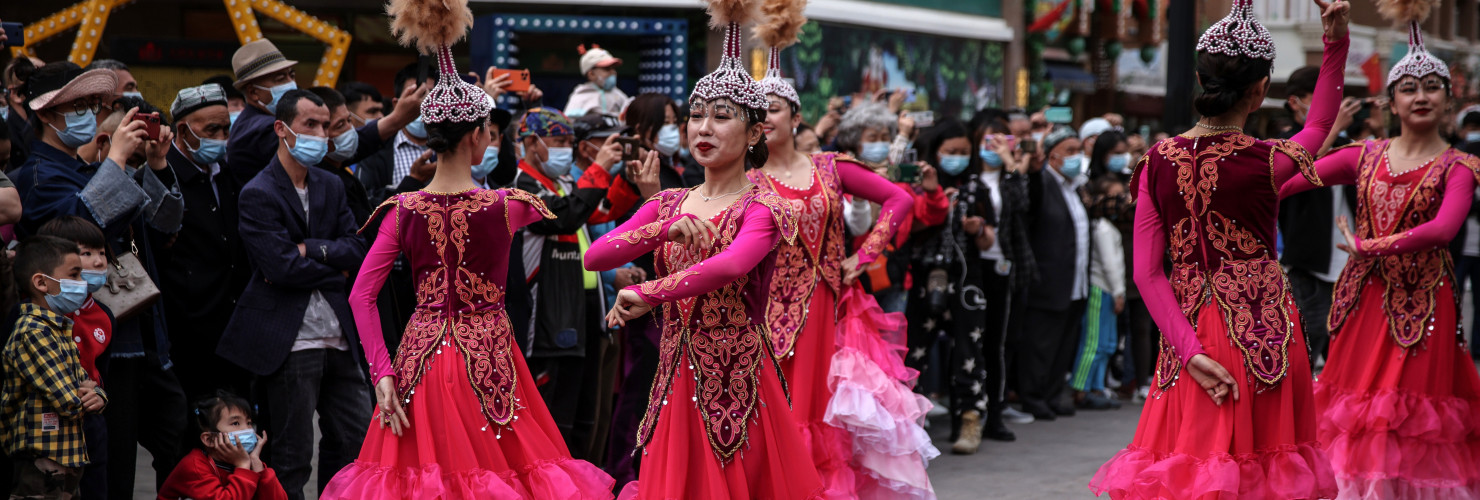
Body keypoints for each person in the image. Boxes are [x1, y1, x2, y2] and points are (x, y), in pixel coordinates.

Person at [320, 3, 615, 494]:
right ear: (479, 135)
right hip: (492, 358)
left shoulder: (401, 209)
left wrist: (382, 372)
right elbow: (571, 219)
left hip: (421, 362)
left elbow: (360, 297)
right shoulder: (507, 205)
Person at [1090, 1, 1350, 498]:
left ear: (1199, 78)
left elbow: (1147, 273)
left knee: (1190, 470)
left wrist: (1188, 352)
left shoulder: (1154, 163)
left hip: (1186, 333)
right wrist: (1335, 42)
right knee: (1263, 473)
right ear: (1260, 92)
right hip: (1262, 329)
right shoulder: (1267, 162)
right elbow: (1319, 125)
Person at [584, 6, 823, 497]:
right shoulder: (671, 203)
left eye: (721, 117)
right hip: (674, 376)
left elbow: (730, 264)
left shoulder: (766, 207)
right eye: (696, 116)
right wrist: (665, 228)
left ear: (756, 133)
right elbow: (598, 255)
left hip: (740, 382)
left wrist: (652, 291)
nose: (703, 129)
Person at [1279, 12, 1480, 497]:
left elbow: (1443, 229)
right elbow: (1284, 183)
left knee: (1409, 411)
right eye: (1409, 88)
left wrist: (1368, 246)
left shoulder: (1460, 166)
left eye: (1432, 87)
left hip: (1425, 301)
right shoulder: (1364, 156)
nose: (1421, 96)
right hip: (1364, 301)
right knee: (1355, 409)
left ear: (1448, 99)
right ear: (1391, 101)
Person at [748, 8, 935, 493]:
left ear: (795, 115)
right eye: (757, 111)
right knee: (765, 408)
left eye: (773, 108)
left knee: (811, 410)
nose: (765, 118)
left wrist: (866, 254)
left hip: (823, 307)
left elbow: (900, 197)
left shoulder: (830, 167)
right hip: (759, 310)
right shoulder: (744, 179)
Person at [12, 61, 189, 498]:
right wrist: (114, 159)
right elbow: (78, 235)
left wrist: (157, 164)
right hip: (86, 342)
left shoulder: (89, 168)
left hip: (137, 331)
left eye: (93, 104)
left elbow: (163, 229)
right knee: (102, 471)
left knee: (163, 446)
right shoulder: (37, 175)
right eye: (76, 105)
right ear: (45, 113)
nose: (88, 114)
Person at [216, 89, 370, 500]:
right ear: (282, 129)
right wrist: (332, 266)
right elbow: (280, 267)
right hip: (291, 341)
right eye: (311, 125)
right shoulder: (258, 191)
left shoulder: (332, 185)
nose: (321, 134)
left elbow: (357, 249)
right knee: (292, 456)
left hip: (339, 335)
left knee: (361, 443)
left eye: (325, 125)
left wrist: (311, 249)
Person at [513, 106, 633, 458]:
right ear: (532, 143)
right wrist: (599, 170)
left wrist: (628, 180)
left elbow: (601, 212)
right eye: (558, 141)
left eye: (569, 140)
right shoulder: (521, 187)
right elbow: (564, 217)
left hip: (581, 315)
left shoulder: (564, 183)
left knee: (584, 423)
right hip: (545, 321)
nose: (566, 147)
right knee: (553, 426)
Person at [897, 120, 1003, 459]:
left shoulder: (976, 187)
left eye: (963, 152)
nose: (957, 158)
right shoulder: (918, 181)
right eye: (950, 152)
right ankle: (911, 422)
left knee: (968, 348)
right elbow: (906, 227)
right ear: (935, 152)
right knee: (915, 350)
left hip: (967, 277)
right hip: (924, 276)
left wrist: (978, 229)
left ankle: (970, 419)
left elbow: (990, 239)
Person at [151, 83, 254, 406]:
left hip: (234, 324)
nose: (221, 137)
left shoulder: (228, 174)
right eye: (212, 129)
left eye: (226, 128)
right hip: (188, 329)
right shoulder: (163, 174)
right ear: (183, 129)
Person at [226, 39, 426, 187]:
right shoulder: (259, 130)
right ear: (253, 92)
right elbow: (327, 153)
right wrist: (397, 119)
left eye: (291, 75)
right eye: (280, 79)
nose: (290, 83)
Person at [1, 236, 108, 500]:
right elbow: (69, 400)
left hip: (67, 456)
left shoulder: (59, 330)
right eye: (74, 274)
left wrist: (98, 395)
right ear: (41, 282)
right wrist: (90, 395)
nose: (82, 283)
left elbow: (91, 386)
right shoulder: (33, 332)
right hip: (41, 461)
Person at [1277, 66, 1355, 370]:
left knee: (1344, 346)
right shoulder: (1284, 140)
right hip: (1309, 260)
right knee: (1308, 339)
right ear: (1296, 101)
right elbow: (1299, 164)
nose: (1330, 108)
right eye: (1321, 99)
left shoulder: (1344, 141)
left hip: (1349, 256)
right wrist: (1334, 130)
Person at [35, 217, 113, 500]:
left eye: (102, 252)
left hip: (90, 426)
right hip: (44, 429)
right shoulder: (34, 316)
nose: (97, 262)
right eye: (86, 254)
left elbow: (102, 374)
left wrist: (101, 395)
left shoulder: (105, 316)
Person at [1017, 125, 1089, 421]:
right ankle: (1032, 396)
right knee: (1041, 343)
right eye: (1069, 151)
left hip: (1076, 280)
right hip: (1048, 280)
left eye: (1078, 151)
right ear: (1052, 156)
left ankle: (1051, 393)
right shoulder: (1043, 183)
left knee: (1064, 342)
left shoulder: (1075, 187)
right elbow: (1031, 207)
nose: (1076, 157)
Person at [158, 391, 288, 500]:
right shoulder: (195, 466)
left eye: (249, 423)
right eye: (236, 423)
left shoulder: (247, 461)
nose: (248, 430)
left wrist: (257, 465)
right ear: (208, 439)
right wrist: (242, 466)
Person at [1069, 176, 1125, 411]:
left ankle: (1097, 387)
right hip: (1100, 289)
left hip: (1110, 291)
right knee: (1093, 343)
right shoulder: (1101, 229)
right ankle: (1080, 389)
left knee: (1107, 344)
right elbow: (1110, 264)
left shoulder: (1109, 227)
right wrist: (1119, 291)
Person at [565, 44, 630, 118]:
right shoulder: (581, 95)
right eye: (607, 69)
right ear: (591, 74)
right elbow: (570, 122)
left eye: (613, 68)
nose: (613, 72)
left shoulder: (619, 95)